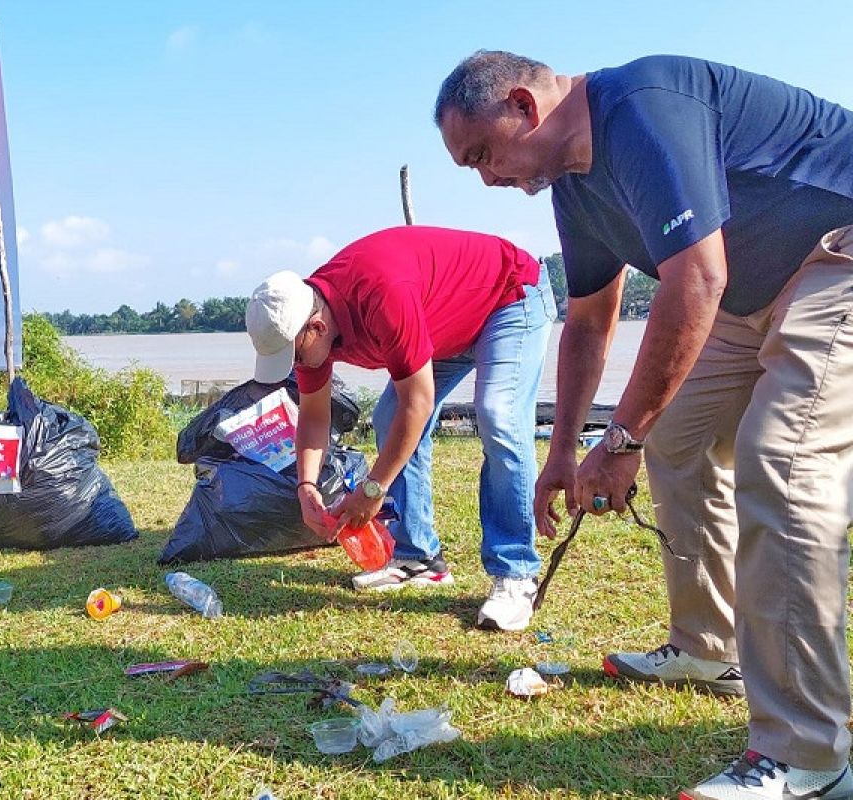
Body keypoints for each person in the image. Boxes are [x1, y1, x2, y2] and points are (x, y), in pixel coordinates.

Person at [434, 51, 853, 798]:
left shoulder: (643, 104)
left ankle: (809, 753)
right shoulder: (575, 187)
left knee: (780, 460)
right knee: (677, 439)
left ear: (524, 108)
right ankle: (708, 646)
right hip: (754, 292)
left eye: (481, 154)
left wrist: (620, 438)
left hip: (838, 251)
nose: (487, 178)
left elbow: (697, 276)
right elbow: (589, 323)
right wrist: (565, 451)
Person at [245, 225, 555, 630]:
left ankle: (516, 574)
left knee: (497, 415)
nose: (298, 367)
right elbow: (315, 416)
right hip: (444, 326)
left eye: (295, 355)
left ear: (316, 327)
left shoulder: (380, 293)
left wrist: (373, 488)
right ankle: (418, 558)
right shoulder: (311, 320)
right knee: (390, 416)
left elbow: (419, 402)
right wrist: (305, 487)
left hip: (509, 297)